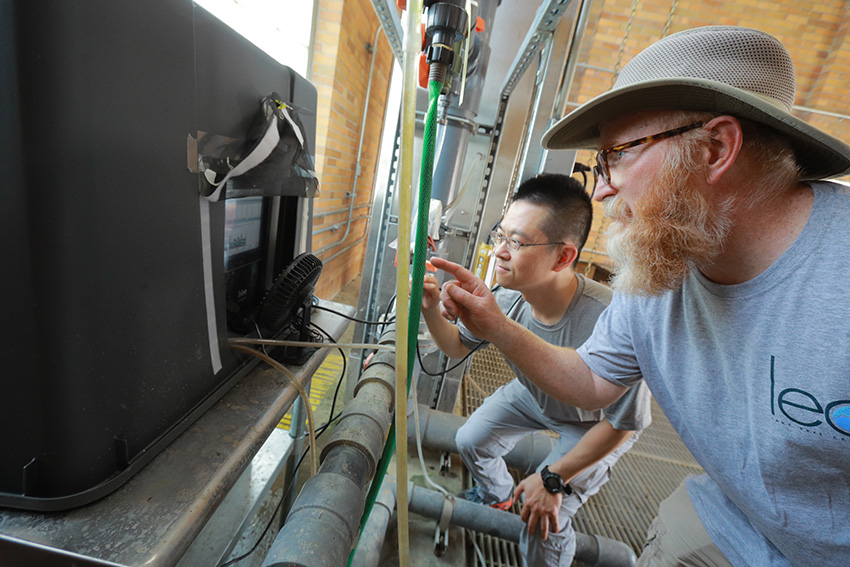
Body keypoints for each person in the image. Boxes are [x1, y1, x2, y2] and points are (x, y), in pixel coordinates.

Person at [430, 25, 850, 567]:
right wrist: (493, 323)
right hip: (728, 519)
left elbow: (621, 423)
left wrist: (555, 477)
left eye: (616, 155)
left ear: (716, 148)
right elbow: (593, 382)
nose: (601, 187)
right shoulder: (660, 268)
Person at [421, 173, 651, 567]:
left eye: (518, 242)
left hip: (596, 424)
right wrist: (428, 304)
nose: (499, 252)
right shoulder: (507, 298)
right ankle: (497, 497)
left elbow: (624, 425)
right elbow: (455, 346)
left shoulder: (612, 319)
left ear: (563, 257)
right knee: (471, 439)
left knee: (542, 515)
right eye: (500, 235)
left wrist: (553, 479)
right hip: (534, 394)